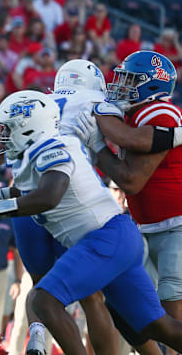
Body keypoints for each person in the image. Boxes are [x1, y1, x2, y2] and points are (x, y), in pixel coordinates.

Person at [0, 90, 182, 355]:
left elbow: (49, 196)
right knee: (159, 327)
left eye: (7, 128)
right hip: (114, 238)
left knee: (44, 300)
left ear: (28, 127)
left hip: (105, 238)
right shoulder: (35, 150)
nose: (1, 136)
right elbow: (26, 193)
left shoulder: (51, 147)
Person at [74, 50, 182, 351]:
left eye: (130, 79)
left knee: (171, 309)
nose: (121, 84)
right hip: (144, 227)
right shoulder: (135, 113)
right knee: (126, 309)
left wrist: (97, 142)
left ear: (151, 85)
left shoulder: (161, 112)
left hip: (176, 226)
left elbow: (131, 180)